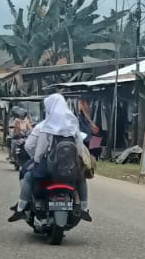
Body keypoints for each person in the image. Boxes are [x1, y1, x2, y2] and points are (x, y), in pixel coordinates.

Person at [9, 92, 92, 220]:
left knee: (28, 176)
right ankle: (85, 208)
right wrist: (80, 162)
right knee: (81, 178)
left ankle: (21, 208)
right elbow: (79, 147)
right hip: (69, 168)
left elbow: (36, 150)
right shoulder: (72, 124)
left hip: (49, 168)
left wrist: (36, 161)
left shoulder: (45, 126)